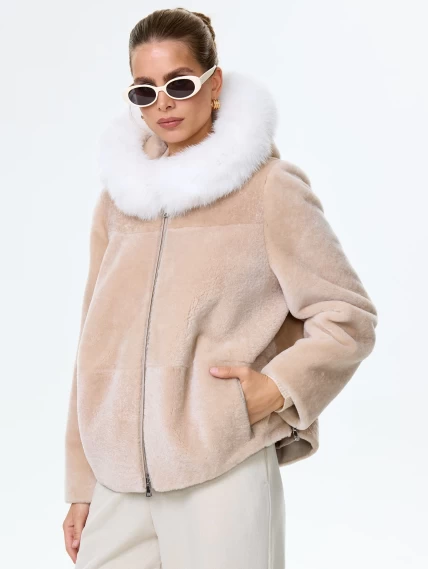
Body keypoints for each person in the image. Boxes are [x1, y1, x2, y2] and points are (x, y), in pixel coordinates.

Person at [62, 8, 378, 569]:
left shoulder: (268, 188)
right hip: (117, 480)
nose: (164, 103)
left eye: (180, 84)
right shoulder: (119, 202)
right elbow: (93, 346)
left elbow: (347, 316)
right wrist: (81, 483)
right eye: (145, 90)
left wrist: (274, 390)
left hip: (219, 470)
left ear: (214, 86)